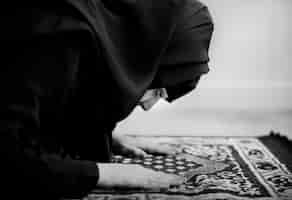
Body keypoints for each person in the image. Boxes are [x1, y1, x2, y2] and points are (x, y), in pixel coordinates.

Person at [0, 0, 213, 199]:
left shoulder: (90, 30)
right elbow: (9, 156)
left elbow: (49, 111)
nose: (148, 106)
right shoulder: (60, 33)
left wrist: (95, 133)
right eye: (158, 91)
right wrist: (108, 174)